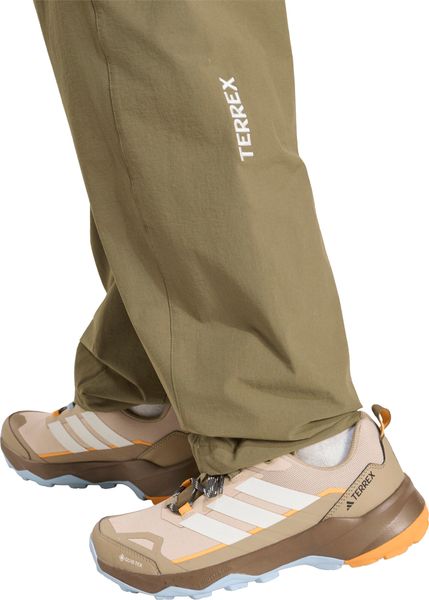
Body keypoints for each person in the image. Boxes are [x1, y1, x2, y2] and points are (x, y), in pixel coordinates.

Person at [1, 1, 427, 596]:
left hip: (306, 452)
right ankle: (158, 392)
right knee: (112, 63)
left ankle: (302, 447)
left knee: (170, 40)